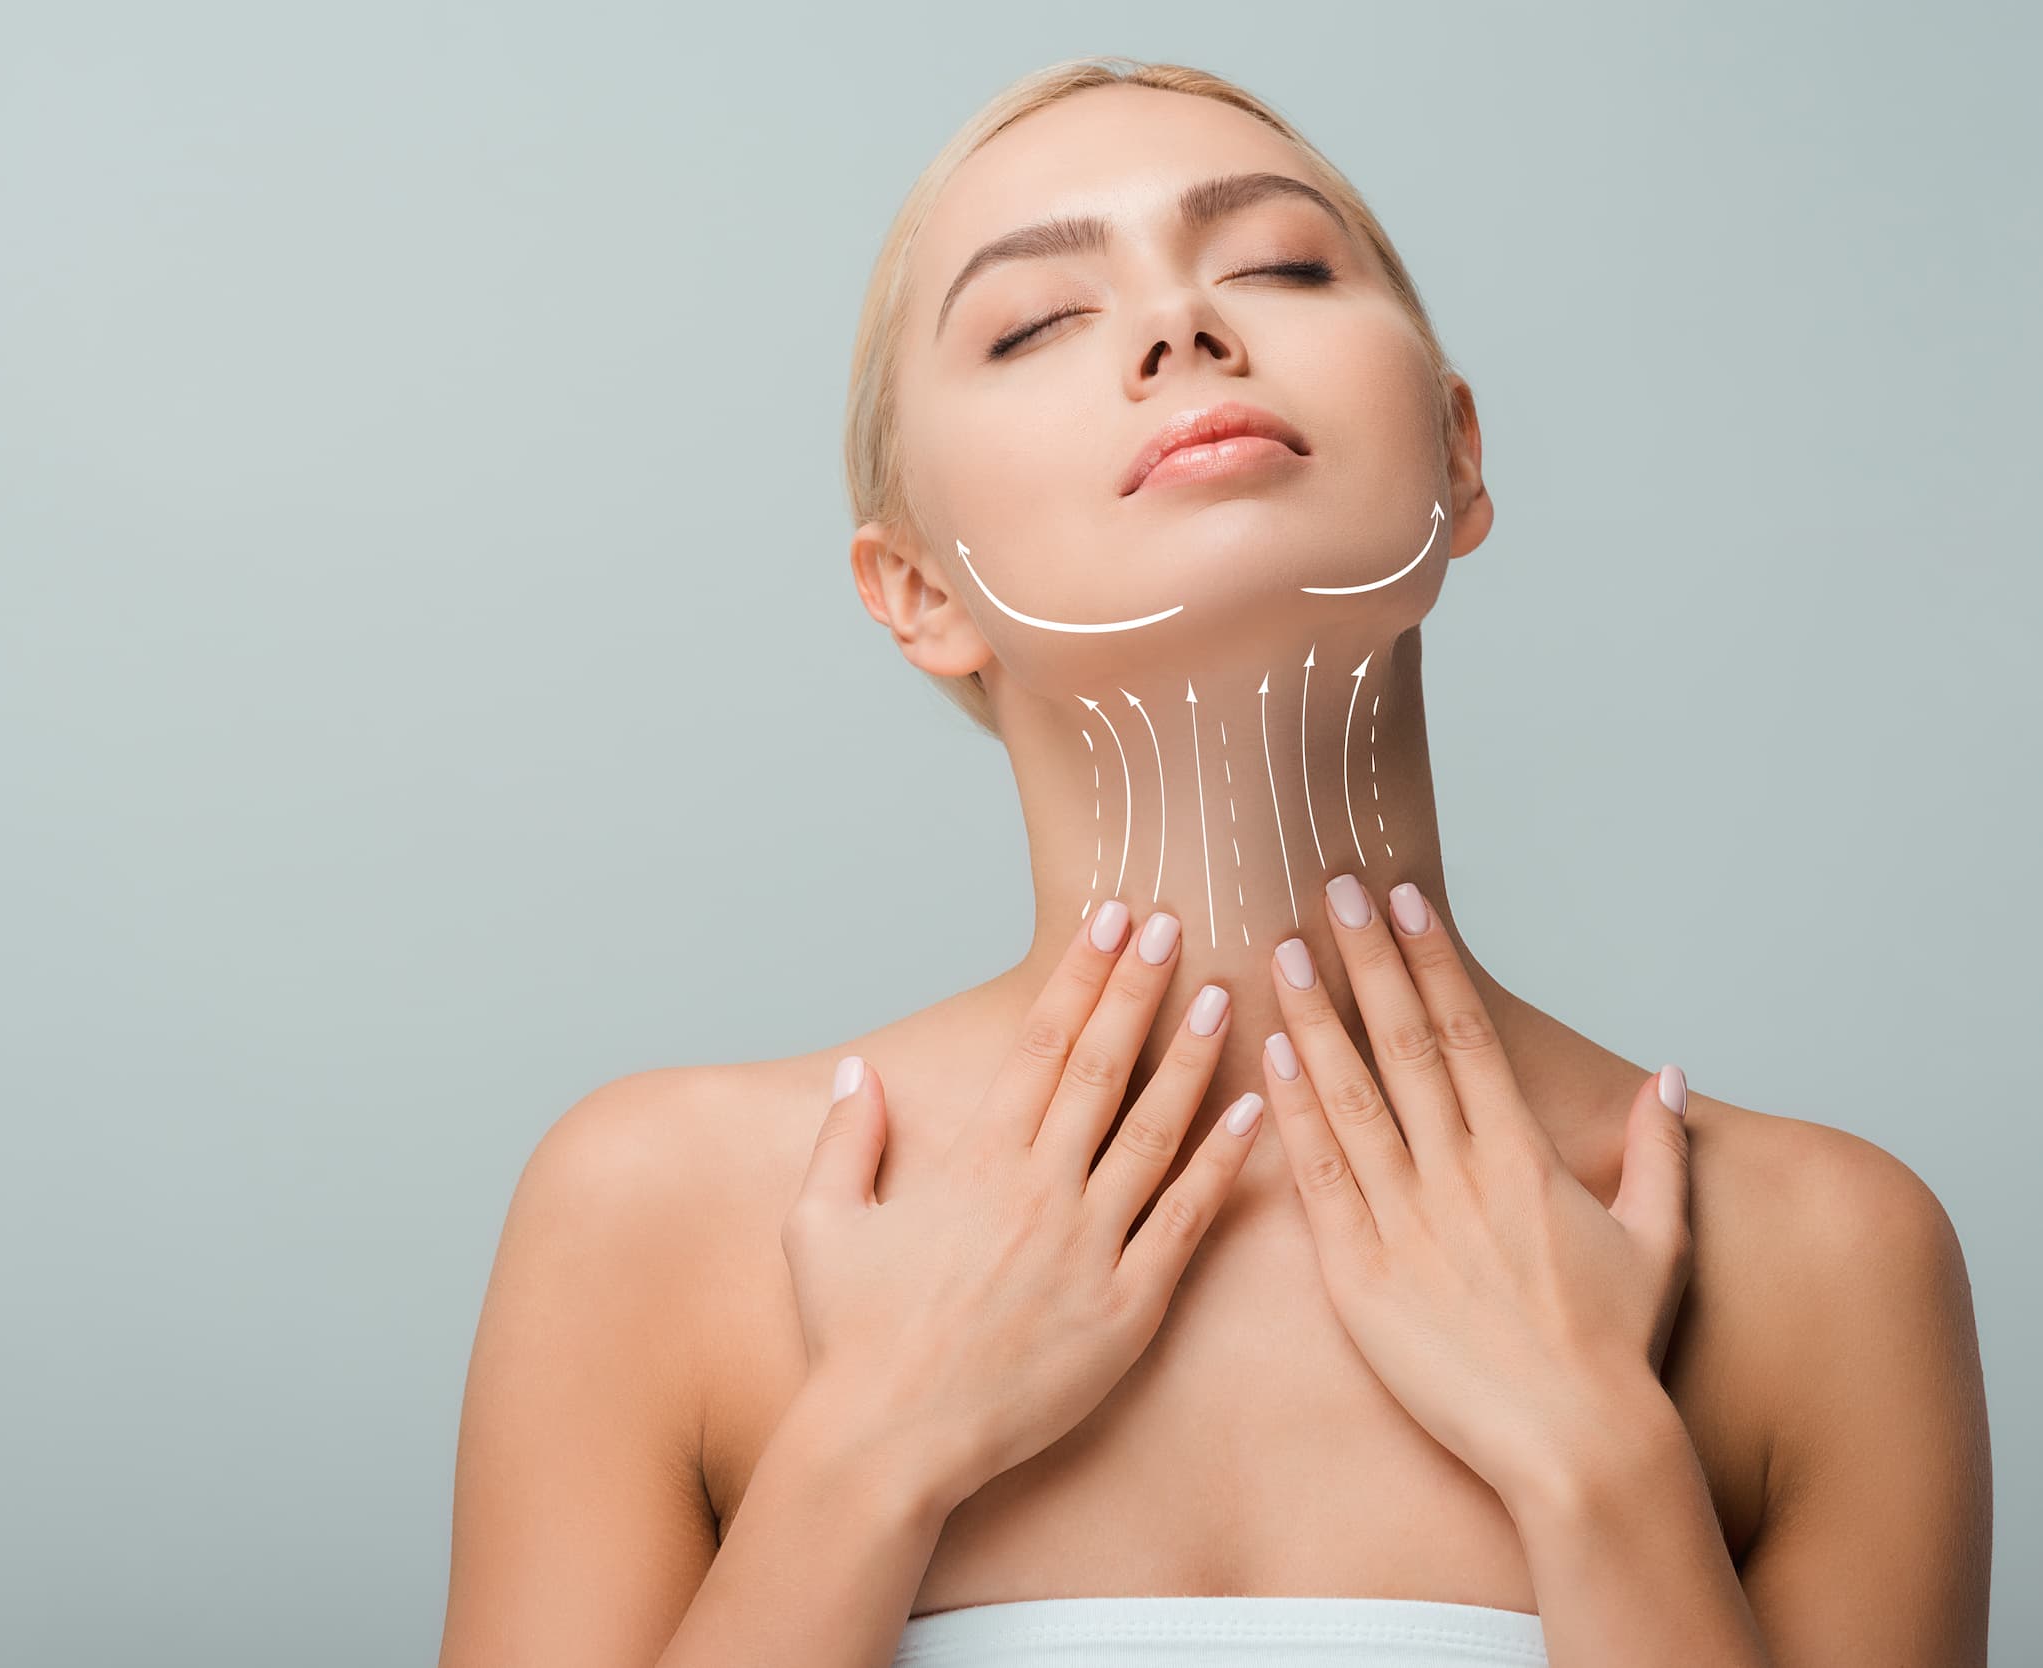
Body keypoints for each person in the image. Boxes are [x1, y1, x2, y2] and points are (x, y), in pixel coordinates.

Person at [438, 55, 1991, 1668]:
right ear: (914, 593)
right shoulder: (658, 1220)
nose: (1184, 331)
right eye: (1036, 321)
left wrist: (1599, 1454)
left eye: (1281, 266)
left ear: (1459, 459)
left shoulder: (1822, 1259)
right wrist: (873, 1448)